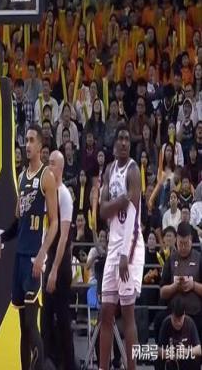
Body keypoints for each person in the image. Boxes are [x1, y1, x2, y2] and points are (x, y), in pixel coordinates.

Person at [0, 123, 59, 370]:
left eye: (32, 140)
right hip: (19, 258)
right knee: (22, 327)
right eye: (26, 140)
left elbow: (54, 223)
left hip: (33, 258)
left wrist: (42, 254)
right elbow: (17, 221)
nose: (27, 144)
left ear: (41, 146)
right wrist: (1, 237)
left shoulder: (46, 176)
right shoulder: (21, 177)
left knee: (32, 325)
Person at [99, 125, 145, 370]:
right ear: (115, 143)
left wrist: (126, 254)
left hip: (131, 245)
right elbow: (102, 211)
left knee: (128, 313)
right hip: (113, 245)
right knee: (106, 312)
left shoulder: (133, 171)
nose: (125, 142)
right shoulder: (109, 170)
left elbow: (133, 215)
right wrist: (120, 201)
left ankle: (132, 368)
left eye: (128, 138)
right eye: (121, 138)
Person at [42, 150, 75, 370]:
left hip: (60, 265)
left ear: (60, 168)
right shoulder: (49, 194)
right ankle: (48, 362)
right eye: (48, 162)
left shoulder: (64, 195)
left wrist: (54, 269)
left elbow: (63, 237)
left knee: (63, 321)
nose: (49, 166)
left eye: (52, 163)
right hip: (49, 260)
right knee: (45, 320)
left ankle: (69, 365)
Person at [158, 298, 201, 370]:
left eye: (180, 320)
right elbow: (159, 350)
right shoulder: (166, 323)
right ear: (171, 315)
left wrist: (186, 351)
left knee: (195, 359)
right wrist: (167, 353)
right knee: (158, 359)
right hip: (171, 359)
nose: (178, 323)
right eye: (175, 320)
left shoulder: (190, 323)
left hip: (185, 357)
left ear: (184, 314)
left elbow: (199, 349)